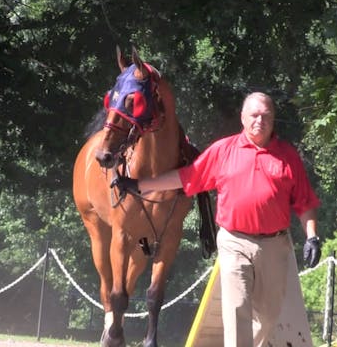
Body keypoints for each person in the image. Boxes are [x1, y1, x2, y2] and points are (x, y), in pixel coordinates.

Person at [112, 92, 321, 346]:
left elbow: (305, 202)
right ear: (243, 118)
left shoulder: (287, 156)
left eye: (266, 116)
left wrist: (312, 237)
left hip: (275, 245)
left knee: (268, 317)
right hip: (234, 241)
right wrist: (138, 185)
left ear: (273, 119)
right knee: (237, 311)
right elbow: (187, 177)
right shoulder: (224, 150)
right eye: (254, 115)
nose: (260, 121)